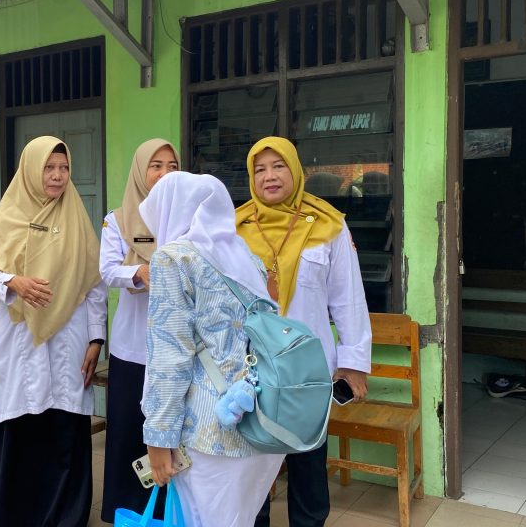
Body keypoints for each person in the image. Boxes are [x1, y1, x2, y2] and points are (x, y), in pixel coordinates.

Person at [236, 137, 372, 527]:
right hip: (250, 369)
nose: (269, 176)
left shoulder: (329, 224)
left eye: (278, 166)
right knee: (251, 473)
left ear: (296, 170)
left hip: (308, 372)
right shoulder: (233, 227)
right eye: (260, 169)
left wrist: (352, 364)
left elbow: (348, 298)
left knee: (308, 468)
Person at [140, 172, 286, 526]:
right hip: (261, 422)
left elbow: (170, 355)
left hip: (209, 432)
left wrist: (158, 436)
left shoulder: (173, 259)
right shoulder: (247, 258)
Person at [0, 136, 106, 527]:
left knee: (63, 425)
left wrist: (96, 339)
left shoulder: (77, 218)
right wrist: (13, 281)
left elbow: (94, 284)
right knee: (21, 421)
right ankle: (14, 513)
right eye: (49, 167)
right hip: (19, 338)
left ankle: (65, 515)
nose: (57, 176)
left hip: (68, 339)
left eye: (64, 168)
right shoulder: (10, 214)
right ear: (32, 170)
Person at [99, 138, 180, 523]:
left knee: (172, 436)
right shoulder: (118, 220)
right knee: (130, 432)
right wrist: (138, 272)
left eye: (172, 166)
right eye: (155, 165)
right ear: (140, 171)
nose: (164, 173)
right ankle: (127, 511)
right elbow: (107, 270)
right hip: (133, 348)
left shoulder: (188, 219)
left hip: (178, 350)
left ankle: (169, 512)